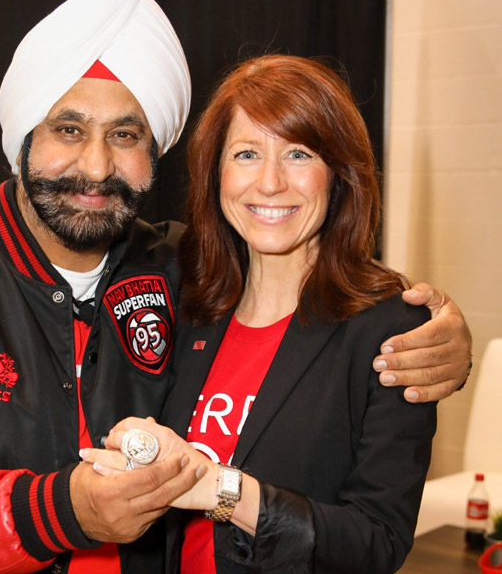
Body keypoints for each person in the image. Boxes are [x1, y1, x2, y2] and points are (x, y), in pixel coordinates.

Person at [0, 0, 469, 574]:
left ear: (157, 152)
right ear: (22, 139)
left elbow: (310, 296)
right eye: (68, 129)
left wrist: (440, 331)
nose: (95, 168)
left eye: (125, 136)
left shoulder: (188, 274)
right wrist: (55, 510)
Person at [92, 55, 440, 574]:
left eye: (298, 153)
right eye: (247, 153)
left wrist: (218, 487)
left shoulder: (389, 329)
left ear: (339, 174)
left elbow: (376, 544)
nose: (271, 183)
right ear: (217, 174)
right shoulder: (186, 300)